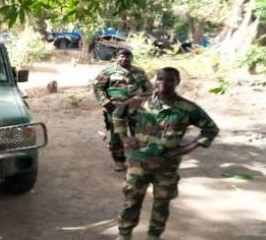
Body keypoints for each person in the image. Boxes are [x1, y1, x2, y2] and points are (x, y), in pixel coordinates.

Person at [113, 67, 219, 240]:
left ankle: (154, 236)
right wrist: (124, 137)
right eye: (160, 79)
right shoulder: (140, 101)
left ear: (177, 82)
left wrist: (186, 148)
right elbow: (118, 115)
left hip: (166, 166)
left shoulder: (187, 108)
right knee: (131, 200)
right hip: (139, 162)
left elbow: (210, 129)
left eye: (169, 80)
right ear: (155, 80)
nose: (163, 83)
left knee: (161, 203)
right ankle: (124, 234)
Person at [93, 49, 152, 172]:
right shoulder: (108, 71)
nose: (125, 59)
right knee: (117, 135)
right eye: (122, 56)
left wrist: (142, 101)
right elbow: (98, 87)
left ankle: (138, 160)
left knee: (139, 134)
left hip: (136, 109)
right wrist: (105, 102)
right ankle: (119, 161)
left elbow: (148, 89)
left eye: (127, 57)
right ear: (117, 58)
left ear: (132, 58)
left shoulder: (139, 72)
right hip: (115, 109)